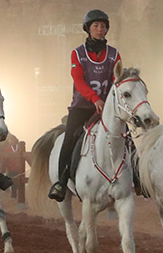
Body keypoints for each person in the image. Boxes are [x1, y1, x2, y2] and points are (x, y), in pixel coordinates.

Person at [48, 10, 120, 202]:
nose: (100, 29)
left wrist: (111, 101)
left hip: (107, 108)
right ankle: (61, 182)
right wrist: (95, 98)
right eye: (96, 26)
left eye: (103, 26)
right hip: (82, 107)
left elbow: (117, 79)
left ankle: (136, 179)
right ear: (88, 29)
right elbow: (78, 80)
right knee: (69, 139)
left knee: (125, 135)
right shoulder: (78, 54)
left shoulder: (114, 54)